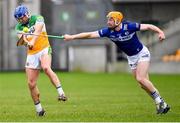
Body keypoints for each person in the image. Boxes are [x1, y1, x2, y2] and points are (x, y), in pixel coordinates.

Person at [63, 11, 170, 114]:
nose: (108, 22)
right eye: (108, 20)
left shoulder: (129, 26)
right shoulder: (108, 32)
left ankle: (160, 102)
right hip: (131, 58)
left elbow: (148, 26)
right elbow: (90, 35)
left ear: (118, 21)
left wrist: (160, 32)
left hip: (142, 53)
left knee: (140, 78)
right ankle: (160, 103)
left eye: (111, 20)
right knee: (143, 84)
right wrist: (72, 37)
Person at [14, 5, 67, 116]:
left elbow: (38, 29)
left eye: (22, 17)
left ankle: (61, 93)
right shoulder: (18, 27)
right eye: (18, 18)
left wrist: (32, 40)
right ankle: (39, 110)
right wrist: (26, 42)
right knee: (31, 84)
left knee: (46, 68)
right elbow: (21, 39)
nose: (20, 20)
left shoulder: (38, 18)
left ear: (27, 14)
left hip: (44, 48)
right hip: (32, 54)